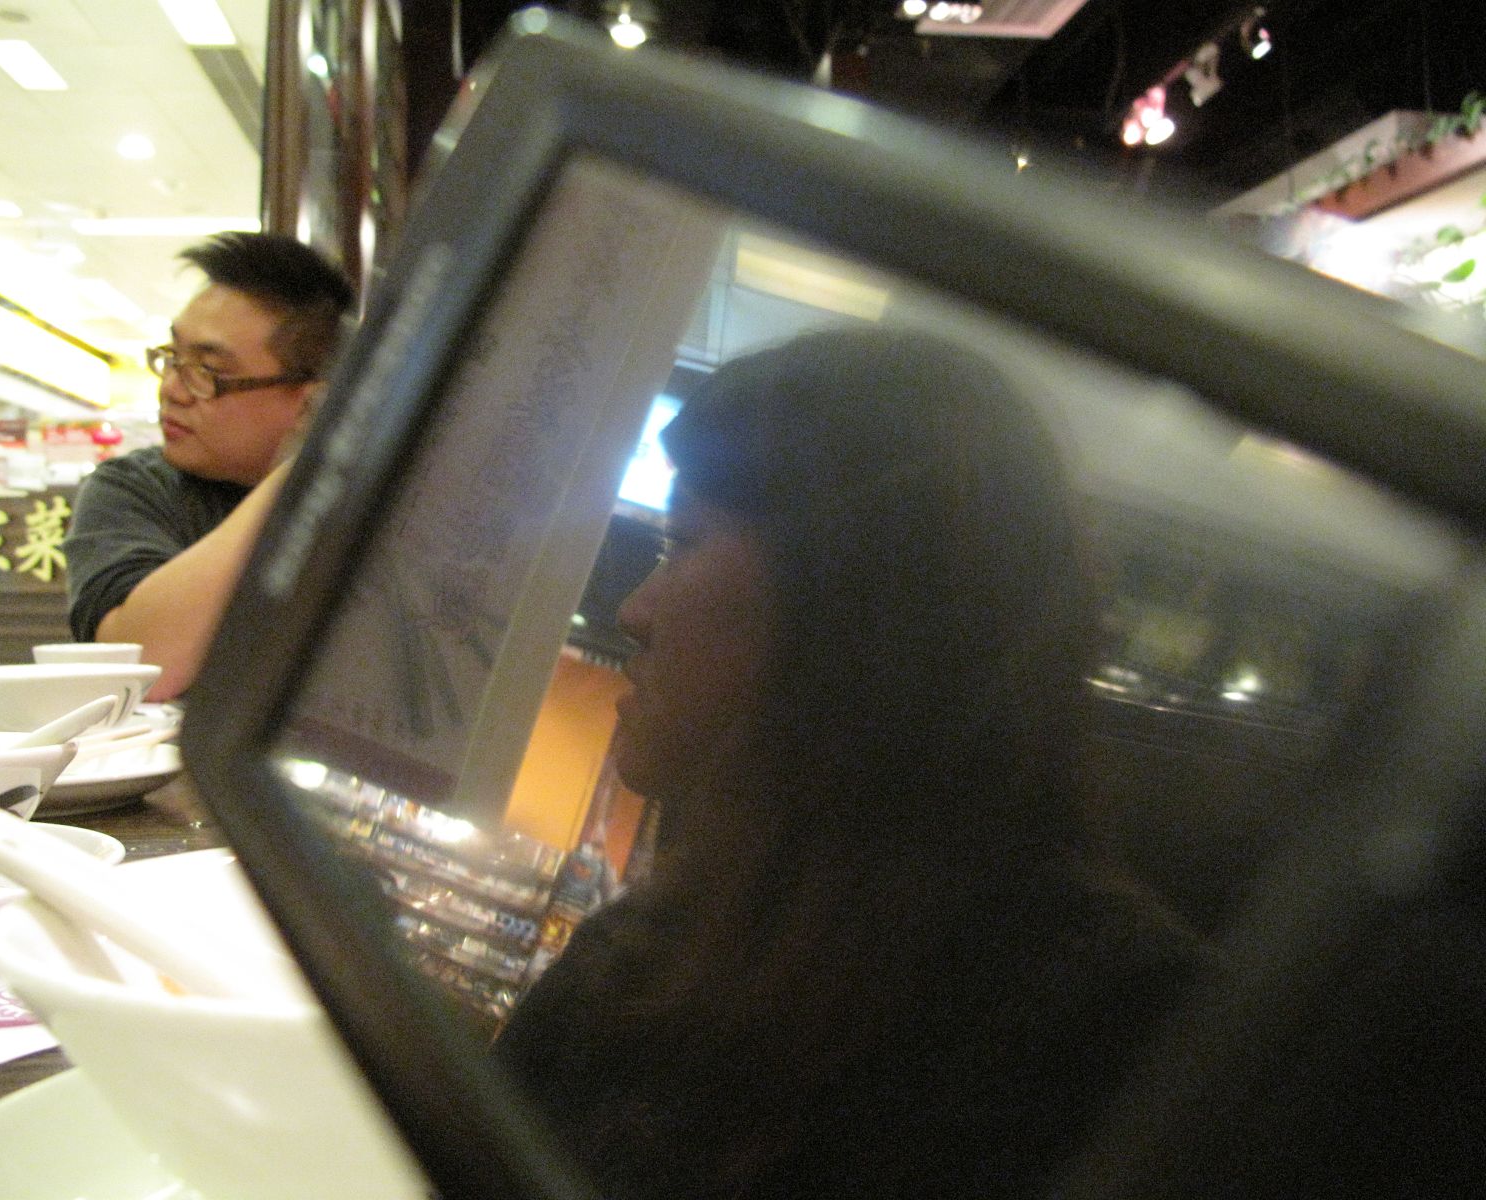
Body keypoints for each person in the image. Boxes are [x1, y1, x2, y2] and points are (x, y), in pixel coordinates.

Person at [491, 326, 1210, 1199]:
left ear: (850, 601)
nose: (635, 612)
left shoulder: (1111, 1029)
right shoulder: (654, 946)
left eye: (683, 541)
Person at [63, 232, 355, 701]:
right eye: (173, 358)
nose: (171, 390)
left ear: (310, 403)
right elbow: (143, 664)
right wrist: (306, 467)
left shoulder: (371, 504)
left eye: (208, 372)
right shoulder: (137, 489)